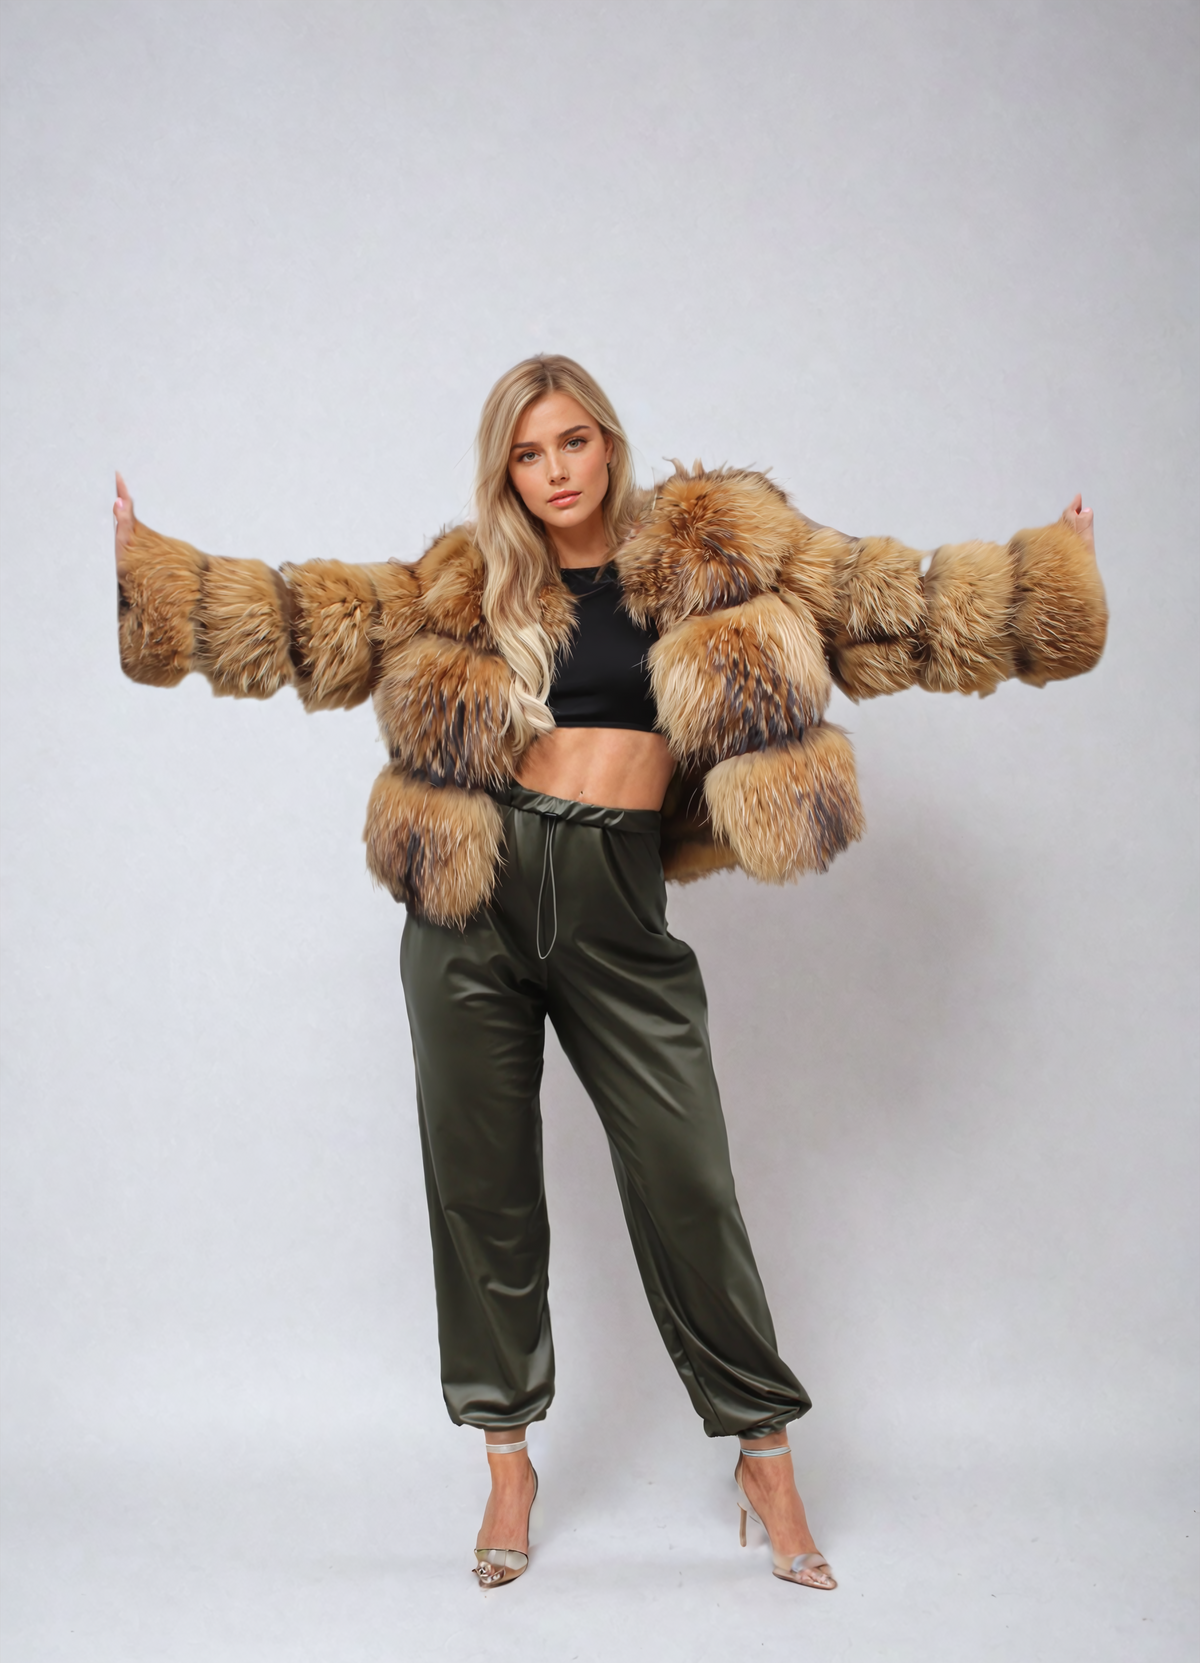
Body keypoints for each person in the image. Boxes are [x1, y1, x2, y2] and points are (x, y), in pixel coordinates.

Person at [113, 354, 1106, 1591]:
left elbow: (884, 605)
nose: (555, 472)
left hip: (615, 911)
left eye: (571, 442)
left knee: (690, 1181)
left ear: (609, 441)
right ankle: (507, 1460)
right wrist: (152, 572)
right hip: (470, 907)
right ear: (506, 474)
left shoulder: (717, 550)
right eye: (527, 455)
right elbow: (308, 621)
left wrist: (1040, 582)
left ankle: (764, 1456)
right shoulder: (464, 584)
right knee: (480, 1190)